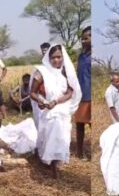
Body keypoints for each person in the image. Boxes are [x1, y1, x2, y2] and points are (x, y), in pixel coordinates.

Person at [30, 44, 82, 178]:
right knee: (51, 137)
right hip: (49, 110)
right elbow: (33, 93)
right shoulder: (41, 72)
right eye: (53, 58)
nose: (56, 60)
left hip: (62, 108)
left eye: (59, 57)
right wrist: (44, 102)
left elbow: (70, 92)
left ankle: (54, 161)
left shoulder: (65, 71)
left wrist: (57, 101)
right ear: (48, 58)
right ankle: (53, 168)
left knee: (62, 137)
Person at [75, 26, 91, 159]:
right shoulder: (81, 56)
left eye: (87, 38)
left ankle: (93, 152)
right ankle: (79, 152)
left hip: (90, 96)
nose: (85, 41)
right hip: (81, 96)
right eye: (83, 39)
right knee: (79, 124)